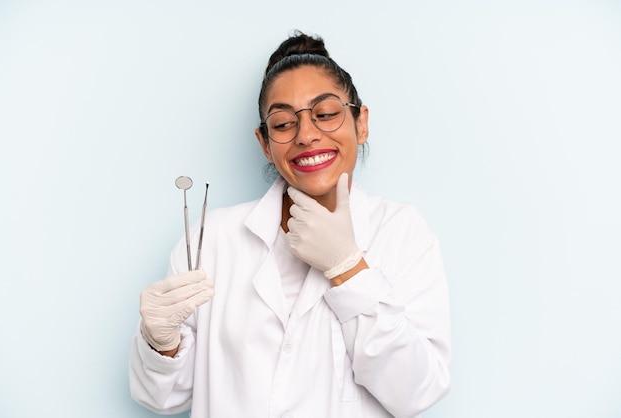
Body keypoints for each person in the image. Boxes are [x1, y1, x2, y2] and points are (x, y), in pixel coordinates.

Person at [129, 31, 451, 418]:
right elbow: (164, 398)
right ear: (264, 143)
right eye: (282, 124)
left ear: (360, 122)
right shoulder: (211, 239)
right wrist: (160, 343)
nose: (307, 135)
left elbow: (417, 391)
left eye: (327, 114)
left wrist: (348, 268)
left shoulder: (401, 231)